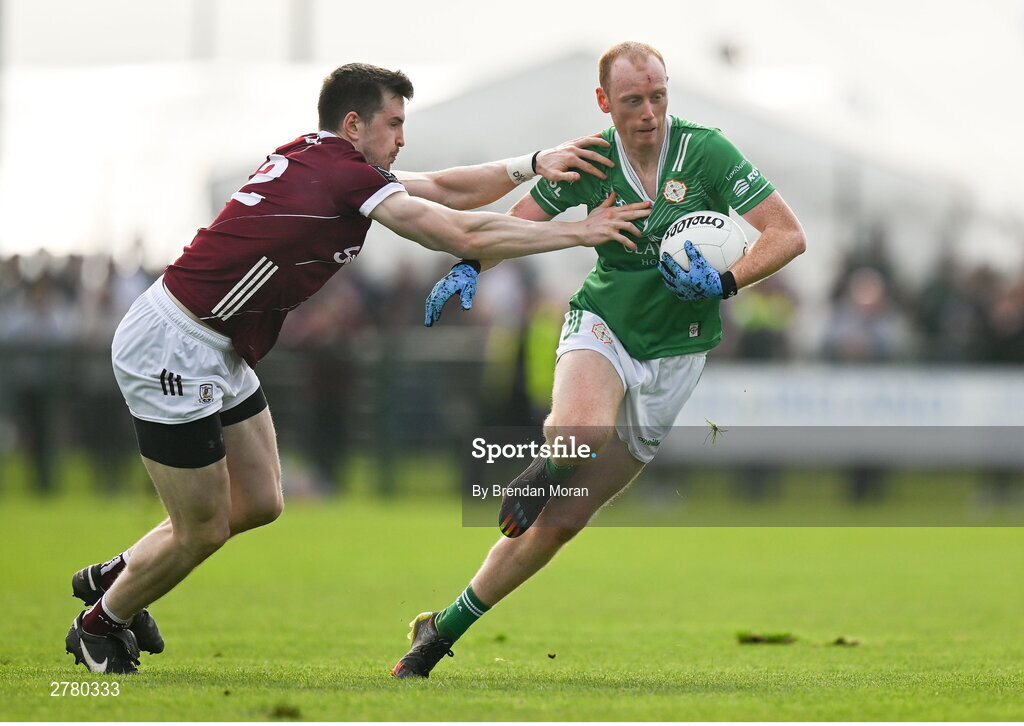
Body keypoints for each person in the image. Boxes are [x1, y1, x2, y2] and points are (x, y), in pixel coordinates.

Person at [64, 62, 651, 675]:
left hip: (219, 345)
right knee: (203, 528)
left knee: (260, 501)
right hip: (174, 344)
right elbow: (460, 232)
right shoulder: (343, 174)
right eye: (394, 124)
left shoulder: (329, 161)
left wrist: (533, 163)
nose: (402, 138)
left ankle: (122, 573)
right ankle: (100, 623)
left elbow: (447, 189)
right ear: (354, 124)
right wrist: (579, 232)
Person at [392, 41, 805, 678]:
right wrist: (470, 264)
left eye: (658, 97)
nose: (649, 112)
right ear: (604, 101)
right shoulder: (588, 159)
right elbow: (519, 223)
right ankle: (545, 462)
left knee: (561, 524)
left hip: (678, 354)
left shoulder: (708, 153)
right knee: (578, 433)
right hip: (603, 325)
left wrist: (725, 283)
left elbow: (786, 234)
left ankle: (439, 630)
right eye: (633, 100)